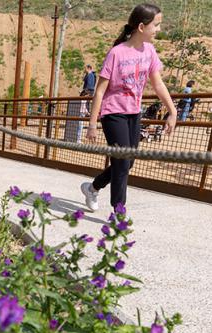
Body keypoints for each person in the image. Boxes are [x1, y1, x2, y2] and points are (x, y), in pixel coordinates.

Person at [81, 4, 176, 212]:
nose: (158, 30)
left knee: (127, 163)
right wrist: (92, 124)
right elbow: (99, 91)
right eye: (156, 25)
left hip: (134, 113)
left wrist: (172, 110)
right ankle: (118, 212)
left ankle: (93, 187)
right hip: (113, 113)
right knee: (123, 163)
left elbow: (158, 83)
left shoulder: (149, 50)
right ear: (142, 27)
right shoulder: (116, 53)